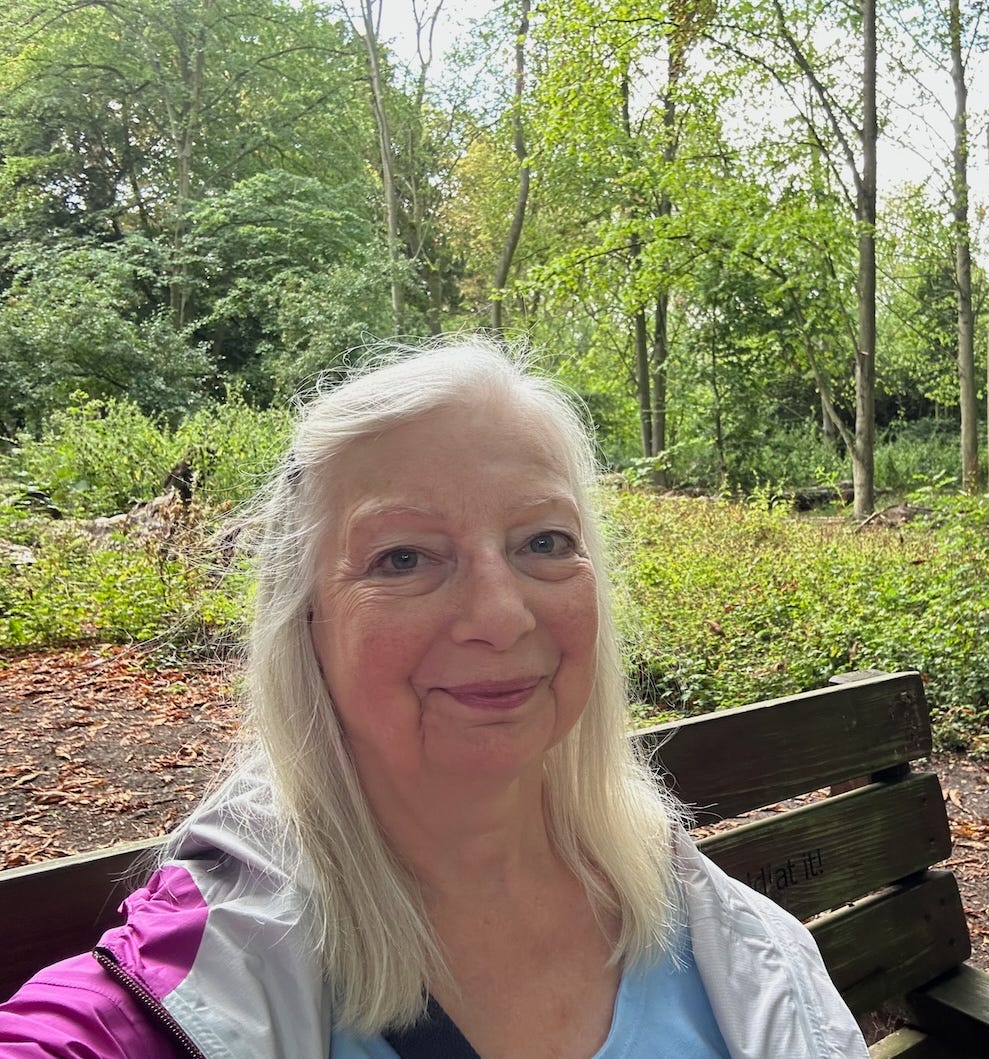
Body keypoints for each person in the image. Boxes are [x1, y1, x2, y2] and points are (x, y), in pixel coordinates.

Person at [0, 341, 868, 1058]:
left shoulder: (731, 937)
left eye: (543, 541)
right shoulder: (200, 978)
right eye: (405, 557)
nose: (499, 613)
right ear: (305, 621)